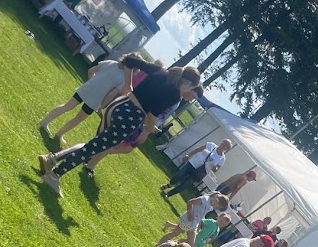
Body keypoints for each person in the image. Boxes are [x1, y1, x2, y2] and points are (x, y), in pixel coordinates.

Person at [38, 57, 201, 197]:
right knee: (93, 148)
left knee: (95, 144)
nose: (189, 91)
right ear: (187, 83)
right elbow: (152, 115)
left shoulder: (160, 71)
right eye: (191, 88)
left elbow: (129, 60)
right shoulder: (174, 95)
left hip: (118, 104)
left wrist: (128, 85)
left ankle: (52, 159)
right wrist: (148, 129)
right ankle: (54, 175)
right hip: (130, 117)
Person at [82, 87, 202, 175]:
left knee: (126, 148)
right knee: (118, 145)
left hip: (146, 126)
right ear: (190, 88)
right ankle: (90, 161)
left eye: (194, 99)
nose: (191, 99)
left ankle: (92, 154)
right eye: (193, 96)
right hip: (142, 123)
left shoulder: (178, 99)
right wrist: (149, 125)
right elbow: (153, 109)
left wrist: (152, 127)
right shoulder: (173, 95)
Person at [39, 58, 132, 145]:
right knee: (79, 118)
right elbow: (111, 94)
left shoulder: (110, 62)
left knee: (66, 106)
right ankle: (59, 134)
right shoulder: (124, 79)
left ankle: (45, 122)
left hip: (86, 89)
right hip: (96, 99)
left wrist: (92, 82)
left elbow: (91, 71)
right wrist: (102, 106)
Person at [160, 139, 233, 197]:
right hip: (193, 163)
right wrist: (188, 155)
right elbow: (198, 149)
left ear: (227, 148)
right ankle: (169, 184)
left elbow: (216, 169)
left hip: (201, 171)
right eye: (223, 142)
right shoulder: (211, 145)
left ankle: (169, 194)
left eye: (225, 144)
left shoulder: (222, 158)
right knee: (179, 174)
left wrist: (214, 167)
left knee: (185, 184)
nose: (223, 144)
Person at [154, 194, 230, 247]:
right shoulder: (204, 199)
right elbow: (190, 202)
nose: (215, 208)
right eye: (217, 207)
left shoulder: (210, 206)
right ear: (216, 200)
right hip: (187, 220)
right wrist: (190, 214)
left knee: (191, 243)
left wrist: (199, 223)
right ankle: (159, 244)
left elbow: (202, 214)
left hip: (194, 224)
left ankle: (170, 245)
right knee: (174, 233)